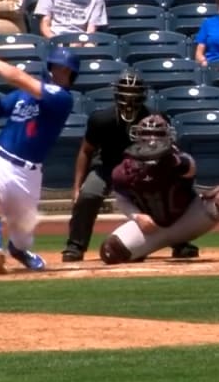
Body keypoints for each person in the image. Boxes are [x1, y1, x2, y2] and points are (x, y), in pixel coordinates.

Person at [99, 115, 219, 265]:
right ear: (138, 137)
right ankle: (151, 249)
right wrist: (137, 216)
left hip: (188, 219)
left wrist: (167, 159)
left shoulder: (177, 158)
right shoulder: (124, 169)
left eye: (157, 134)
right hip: (152, 227)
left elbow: (189, 168)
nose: (152, 139)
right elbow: (122, 199)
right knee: (110, 251)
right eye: (147, 134)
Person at [0, 47, 79, 274]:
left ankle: (18, 250)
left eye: (63, 68)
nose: (57, 71)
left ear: (70, 73)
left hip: (29, 174)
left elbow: (17, 77)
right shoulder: (23, 95)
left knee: (23, 234)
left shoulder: (62, 99)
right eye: (55, 66)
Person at [62, 70, 199, 262]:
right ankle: (75, 245)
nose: (129, 98)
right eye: (125, 92)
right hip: (107, 166)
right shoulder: (101, 119)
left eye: (134, 93)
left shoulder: (155, 117)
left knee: (163, 195)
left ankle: (180, 242)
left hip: (145, 168)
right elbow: (86, 151)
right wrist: (77, 187)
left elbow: (168, 149)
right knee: (88, 195)